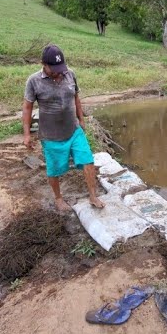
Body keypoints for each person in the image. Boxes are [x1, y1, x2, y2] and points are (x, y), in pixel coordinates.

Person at [22, 45, 104, 213]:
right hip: (51, 136)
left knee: (87, 160)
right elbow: (27, 108)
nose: (58, 73)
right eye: (54, 69)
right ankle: (58, 198)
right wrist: (26, 134)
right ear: (43, 64)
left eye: (61, 68)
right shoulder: (33, 81)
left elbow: (76, 98)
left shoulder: (70, 74)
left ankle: (93, 196)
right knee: (54, 169)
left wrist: (81, 119)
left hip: (73, 130)